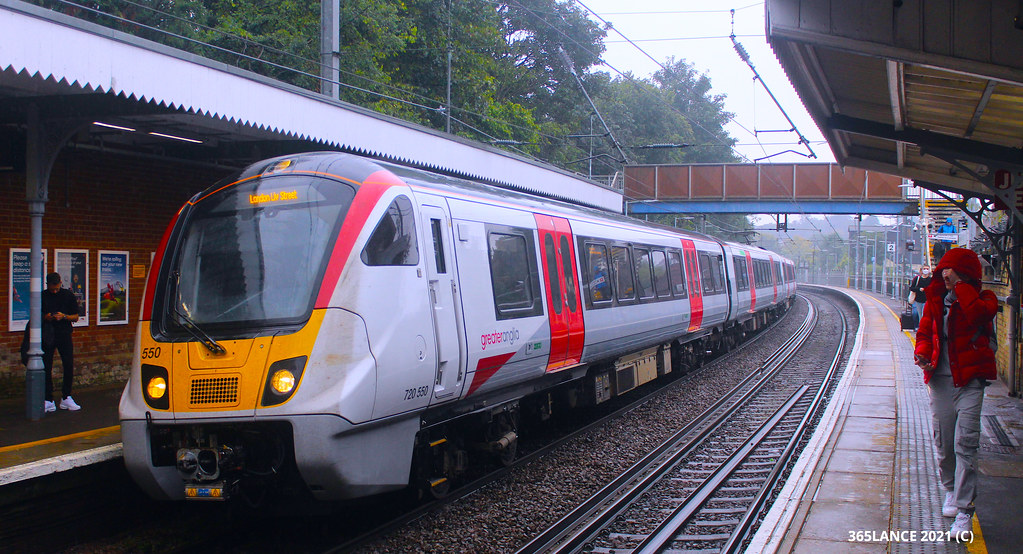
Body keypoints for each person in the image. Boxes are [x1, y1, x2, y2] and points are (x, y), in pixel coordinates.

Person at [913, 248, 997, 540]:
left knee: (966, 443)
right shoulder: (936, 301)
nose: (944, 274)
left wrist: (962, 288)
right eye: (943, 270)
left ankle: (964, 511)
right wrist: (923, 354)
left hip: (970, 382)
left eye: (950, 270)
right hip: (941, 381)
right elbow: (924, 333)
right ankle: (950, 489)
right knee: (945, 442)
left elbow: (977, 316)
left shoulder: (985, 300)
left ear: (965, 274)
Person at [41, 272, 82, 412]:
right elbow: (37, 315)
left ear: (60, 284)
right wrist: (46, 317)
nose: (54, 291)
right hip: (48, 334)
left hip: (64, 333)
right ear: (47, 285)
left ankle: (66, 397)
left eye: (56, 288)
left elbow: (75, 316)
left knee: (68, 364)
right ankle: (48, 399)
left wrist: (64, 316)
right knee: (46, 365)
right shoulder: (43, 295)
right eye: (52, 288)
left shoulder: (68, 295)